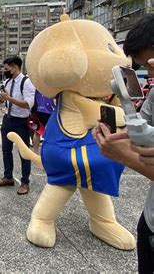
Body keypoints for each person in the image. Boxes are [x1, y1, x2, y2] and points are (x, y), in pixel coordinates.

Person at [93, 14, 154, 273]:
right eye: (143, 67)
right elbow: (140, 127)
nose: (149, 72)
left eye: (150, 63)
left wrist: (124, 156)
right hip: (150, 220)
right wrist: (119, 130)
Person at [0, 55, 36, 195]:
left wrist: (10, 98)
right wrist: (1, 98)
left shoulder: (27, 82)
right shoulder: (7, 82)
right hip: (8, 119)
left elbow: (28, 104)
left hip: (21, 121)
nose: (4, 71)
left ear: (15, 67)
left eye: (6, 69)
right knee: (6, 150)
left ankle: (25, 182)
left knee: (23, 152)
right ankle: (8, 177)